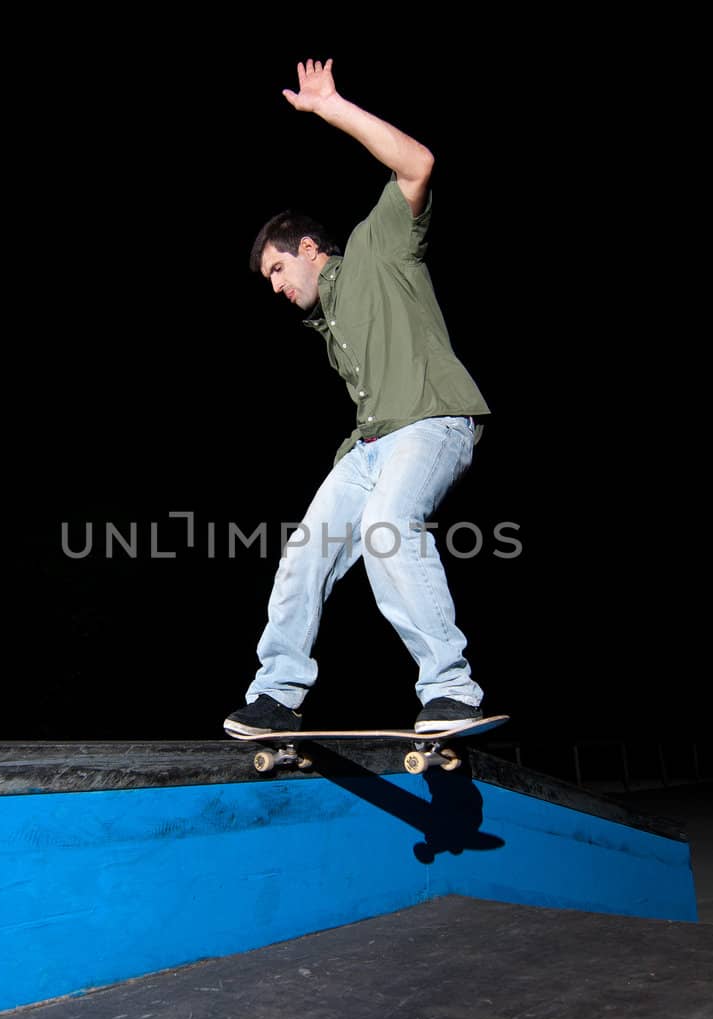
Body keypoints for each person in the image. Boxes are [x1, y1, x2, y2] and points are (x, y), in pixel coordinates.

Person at [224, 59, 493, 739]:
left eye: (279, 270)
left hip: (433, 422)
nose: (278, 289)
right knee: (306, 549)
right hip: (370, 445)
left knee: (386, 527)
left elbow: (418, 164)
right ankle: (275, 695)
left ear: (310, 248)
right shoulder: (328, 324)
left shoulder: (380, 246)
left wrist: (330, 107)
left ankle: (451, 689)